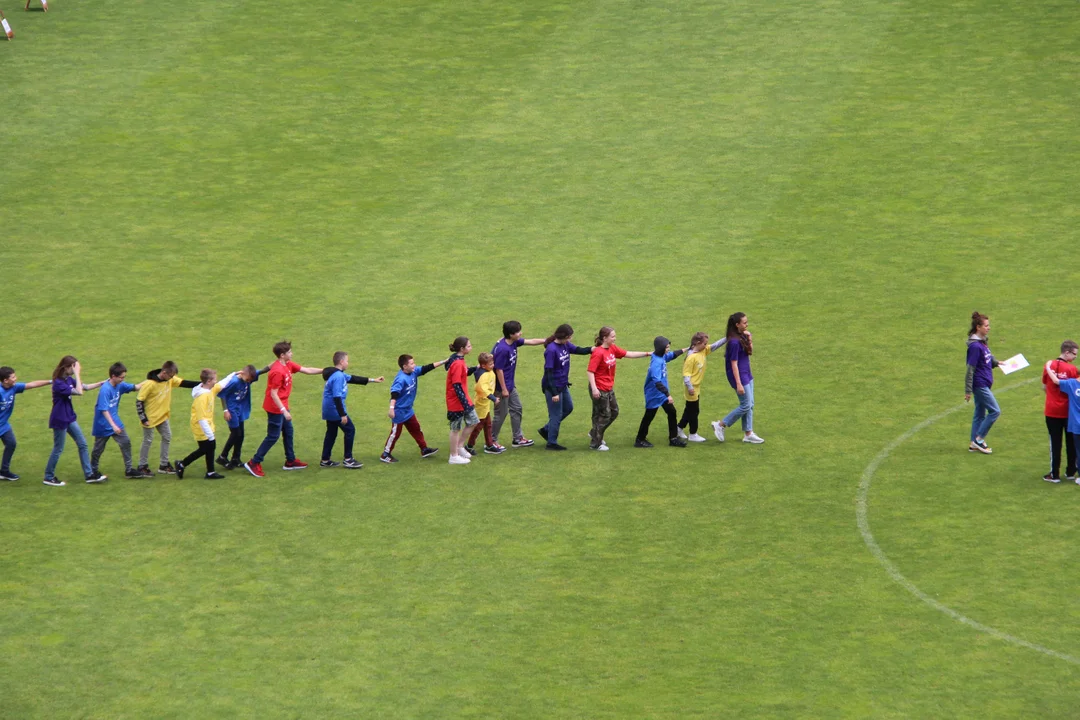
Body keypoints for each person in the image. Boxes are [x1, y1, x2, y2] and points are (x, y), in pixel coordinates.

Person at [244, 341, 323, 478]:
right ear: (282, 355)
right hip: (275, 408)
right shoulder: (277, 371)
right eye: (289, 352)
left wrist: (325, 370)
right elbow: (273, 394)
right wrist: (284, 410)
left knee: (288, 431)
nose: (292, 354)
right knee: (273, 436)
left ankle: (290, 461)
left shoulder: (287, 364)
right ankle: (254, 462)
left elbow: (306, 370)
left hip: (282, 405)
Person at [44, 356, 106, 486]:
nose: (75, 370)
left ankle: (89, 475)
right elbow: (79, 392)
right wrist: (77, 373)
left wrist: (102, 383)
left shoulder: (67, 379)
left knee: (82, 444)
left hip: (69, 417)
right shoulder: (58, 383)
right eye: (73, 367)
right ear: (66, 367)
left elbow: (85, 387)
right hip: (60, 419)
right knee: (58, 448)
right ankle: (48, 476)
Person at [585, 327, 650, 451]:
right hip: (599, 388)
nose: (615, 338)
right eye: (613, 336)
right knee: (604, 415)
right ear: (605, 338)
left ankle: (595, 432)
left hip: (608, 387)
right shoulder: (598, 353)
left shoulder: (612, 348)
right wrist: (594, 389)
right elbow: (590, 371)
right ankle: (596, 443)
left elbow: (628, 354)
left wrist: (647, 353)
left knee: (614, 412)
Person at [135, 361, 200, 476]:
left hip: (163, 416)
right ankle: (142, 466)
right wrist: (143, 418)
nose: (172, 378)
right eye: (171, 376)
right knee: (148, 441)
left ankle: (164, 465)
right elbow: (139, 401)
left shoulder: (170, 379)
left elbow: (184, 383)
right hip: (150, 418)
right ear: (164, 373)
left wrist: (202, 384)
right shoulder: (150, 384)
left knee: (167, 437)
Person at [320, 351, 383, 469]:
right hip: (335, 410)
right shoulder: (338, 377)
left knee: (331, 433)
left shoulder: (338, 374)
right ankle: (348, 459)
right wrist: (342, 414)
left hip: (328, 409)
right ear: (341, 362)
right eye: (347, 361)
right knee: (350, 430)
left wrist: (374, 380)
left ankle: (325, 459)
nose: (348, 363)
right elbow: (337, 396)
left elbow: (354, 378)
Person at [490, 321, 546, 448]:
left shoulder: (513, 341)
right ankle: (491, 440)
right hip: (501, 387)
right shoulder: (503, 349)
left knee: (517, 408)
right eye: (518, 332)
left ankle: (518, 438)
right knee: (501, 414)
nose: (521, 333)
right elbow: (498, 370)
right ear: (511, 334)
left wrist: (547, 340)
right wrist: (503, 389)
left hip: (510, 385)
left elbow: (531, 341)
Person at [711, 312, 764, 444]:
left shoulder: (742, 336)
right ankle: (721, 424)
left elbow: (749, 352)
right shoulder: (734, 342)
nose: (747, 324)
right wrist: (739, 384)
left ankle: (748, 433)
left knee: (750, 404)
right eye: (744, 323)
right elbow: (733, 364)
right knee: (746, 404)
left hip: (746, 373)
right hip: (739, 376)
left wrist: (749, 338)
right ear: (737, 325)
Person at [381, 354, 445, 463]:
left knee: (416, 429)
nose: (414, 365)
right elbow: (394, 394)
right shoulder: (401, 379)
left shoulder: (414, 371)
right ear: (405, 366)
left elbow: (427, 368)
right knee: (395, 433)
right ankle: (385, 454)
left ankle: (424, 449)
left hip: (408, 410)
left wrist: (444, 361)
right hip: (399, 411)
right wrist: (391, 409)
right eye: (411, 363)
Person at [175, 368, 236, 480]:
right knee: (205, 448)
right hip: (200, 426)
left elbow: (221, 385)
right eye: (214, 379)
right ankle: (182, 464)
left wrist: (233, 374)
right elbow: (201, 419)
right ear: (208, 381)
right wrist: (210, 436)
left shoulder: (209, 389)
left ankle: (210, 472)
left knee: (210, 447)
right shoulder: (202, 397)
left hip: (207, 425)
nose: (216, 381)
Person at [90, 362, 148, 479]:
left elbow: (136, 387)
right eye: (121, 377)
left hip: (115, 422)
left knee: (126, 442)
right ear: (113, 376)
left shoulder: (120, 385)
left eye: (124, 377)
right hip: (103, 424)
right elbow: (104, 410)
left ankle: (129, 470)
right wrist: (113, 426)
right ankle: (92, 471)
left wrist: (151, 380)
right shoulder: (105, 390)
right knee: (98, 449)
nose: (123, 379)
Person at [539, 324, 591, 451]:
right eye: (570, 336)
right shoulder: (551, 350)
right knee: (555, 415)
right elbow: (549, 373)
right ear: (565, 336)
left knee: (568, 408)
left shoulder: (565, 345)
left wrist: (594, 349)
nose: (571, 339)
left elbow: (578, 350)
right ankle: (551, 443)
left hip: (562, 384)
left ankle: (547, 429)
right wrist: (554, 393)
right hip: (553, 387)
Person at [635, 337, 688, 448]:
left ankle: (673, 438)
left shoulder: (661, 356)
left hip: (661, 394)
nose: (668, 349)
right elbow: (657, 381)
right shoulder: (656, 363)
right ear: (661, 348)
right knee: (649, 416)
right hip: (654, 394)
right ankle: (640, 439)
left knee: (672, 412)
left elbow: (672, 355)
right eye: (667, 347)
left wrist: (688, 348)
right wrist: (668, 395)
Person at [0, 366, 51, 481]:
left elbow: (31, 385)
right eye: (13, 377)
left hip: (3, 425)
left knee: (11, 444)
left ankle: (4, 471)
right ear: (5, 380)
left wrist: (50, 381)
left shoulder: (13, 387)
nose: (16, 378)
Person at [677, 332, 728, 443]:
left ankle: (679, 428)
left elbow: (715, 345)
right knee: (694, 411)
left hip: (696, 387)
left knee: (690, 410)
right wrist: (690, 388)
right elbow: (686, 375)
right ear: (697, 343)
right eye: (705, 343)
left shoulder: (703, 351)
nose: (706, 345)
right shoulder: (691, 358)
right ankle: (693, 434)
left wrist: (728, 337)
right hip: (691, 388)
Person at [216, 364, 267, 470]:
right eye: (248, 379)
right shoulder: (234, 382)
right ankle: (223, 456)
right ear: (243, 373)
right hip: (232, 410)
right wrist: (225, 410)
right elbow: (222, 394)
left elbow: (262, 371)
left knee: (241, 434)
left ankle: (235, 458)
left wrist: (275, 364)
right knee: (236, 433)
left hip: (240, 410)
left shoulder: (248, 377)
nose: (248, 382)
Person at [1042, 340, 1079, 482]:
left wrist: (1052, 397)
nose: (1075, 357)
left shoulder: (1049, 365)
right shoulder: (1072, 370)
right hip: (1069, 412)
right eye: (1074, 354)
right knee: (1071, 442)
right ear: (1067, 352)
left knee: (1055, 443)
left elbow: (1045, 386)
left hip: (1052, 411)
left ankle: (1054, 474)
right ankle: (1070, 472)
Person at [964, 311, 999, 454]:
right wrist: (967, 390)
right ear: (978, 327)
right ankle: (979, 440)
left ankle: (973, 443)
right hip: (980, 384)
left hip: (984, 382)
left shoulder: (982, 343)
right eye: (986, 325)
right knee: (995, 411)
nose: (988, 328)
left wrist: (998, 363)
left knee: (979, 413)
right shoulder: (975, 347)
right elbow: (970, 369)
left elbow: (987, 359)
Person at [445, 337, 479, 465]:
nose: (471, 347)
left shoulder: (458, 359)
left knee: (473, 421)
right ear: (462, 349)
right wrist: (465, 404)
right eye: (469, 346)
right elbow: (456, 385)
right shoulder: (458, 363)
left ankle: (459, 447)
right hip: (456, 401)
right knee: (455, 428)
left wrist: (475, 368)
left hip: (463, 399)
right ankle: (453, 456)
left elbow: (464, 373)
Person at [466, 352, 504, 455]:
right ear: (483, 365)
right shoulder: (484, 375)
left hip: (485, 404)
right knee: (479, 426)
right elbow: (482, 389)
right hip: (481, 404)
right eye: (490, 364)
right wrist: (494, 398)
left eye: (493, 363)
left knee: (487, 425)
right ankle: (469, 446)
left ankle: (489, 444)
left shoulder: (486, 371)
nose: (493, 365)